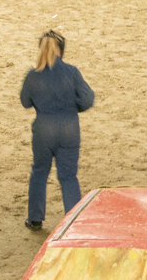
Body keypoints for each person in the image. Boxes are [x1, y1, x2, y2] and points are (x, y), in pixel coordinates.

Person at [20, 30, 94, 231]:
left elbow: (25, 102)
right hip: (69, 128)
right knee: (68, 176)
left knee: (39, 172)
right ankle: (73, 220)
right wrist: (72, 107)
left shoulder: (33, 75)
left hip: (43, 129)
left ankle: (35, 218)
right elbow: (88, 99)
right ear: (61, 50)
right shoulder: (72, 72)